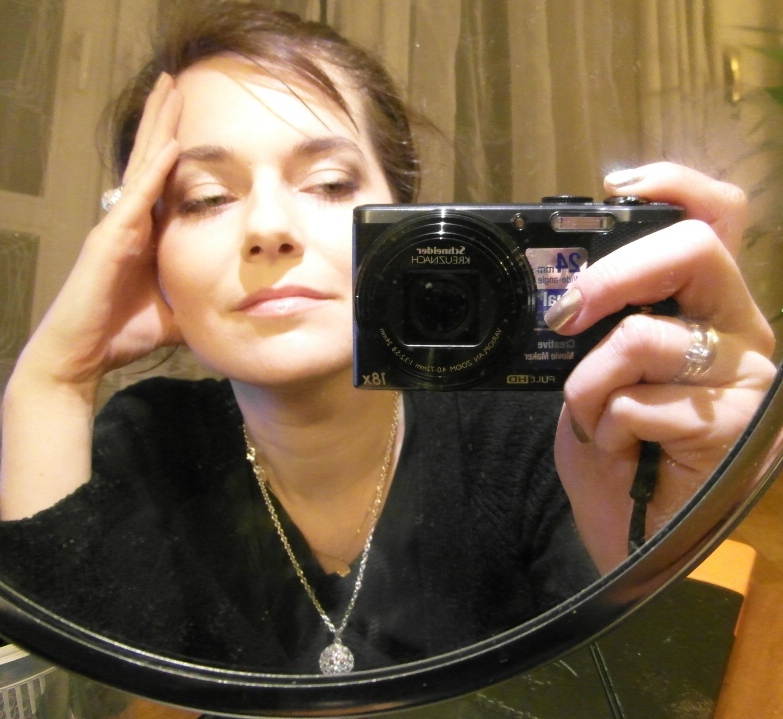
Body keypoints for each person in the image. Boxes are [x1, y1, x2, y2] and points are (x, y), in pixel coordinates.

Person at [0, 2, 775, 675]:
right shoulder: (146, 445)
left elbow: (644, 686)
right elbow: (84, 689)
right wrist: (54, 379)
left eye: (329, 184)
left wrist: (674, 521)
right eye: (204, 198)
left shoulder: (547, 435)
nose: (268, 227)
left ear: (401, 223)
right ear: (148, 251)